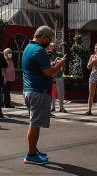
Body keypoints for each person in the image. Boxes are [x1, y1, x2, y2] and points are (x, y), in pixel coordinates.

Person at [22, 26, 67, 164]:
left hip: (29, 90)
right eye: (49, 39)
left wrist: (54, 64)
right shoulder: (39, 50)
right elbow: (48, 72)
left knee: (35, 122)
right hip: (38, 91)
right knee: (35, 124)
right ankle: (30, 154)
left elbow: (40, 69)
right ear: (43, 37)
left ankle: (33, 149)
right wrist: (60, 65)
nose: (50, 42)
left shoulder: (28, 48)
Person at [48, 42, 66, 113]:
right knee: (52, 93)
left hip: (59, 77)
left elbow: (63, 63)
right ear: (50, 47)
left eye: (56, 46)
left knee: (60, 93)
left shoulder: (60, 54)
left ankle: (61, 107)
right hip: (51, 77)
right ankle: (53, 107)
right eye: (53, 46)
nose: (55, 48)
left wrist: (62, 71)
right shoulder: (48, 54)